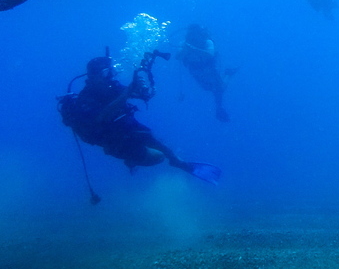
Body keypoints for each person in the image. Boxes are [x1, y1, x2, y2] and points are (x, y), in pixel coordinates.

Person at [58, 53, 221, 183]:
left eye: (112, 72)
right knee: (158, 157)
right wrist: (128, 92)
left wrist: (142, 89)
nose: (111, 77)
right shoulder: (85, 100)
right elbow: (102, 116)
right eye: (106, 73)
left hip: (127, 128)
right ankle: (131, 160)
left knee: (156, 141)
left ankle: (179, 162)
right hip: (111, 140)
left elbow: (136, 93)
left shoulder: (111, 86)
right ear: (93, 76)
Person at [176, 24, 236, 122]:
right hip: (195, 71)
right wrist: (185, 50)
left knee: (219, 88)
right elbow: (178, 57)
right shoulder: (184, 43)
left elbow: (210, 54)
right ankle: (227, 74)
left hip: (209, 70)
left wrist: (193, 49)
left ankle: (227, 75)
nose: (193, 36)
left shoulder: (207, 42)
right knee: (207, 88)